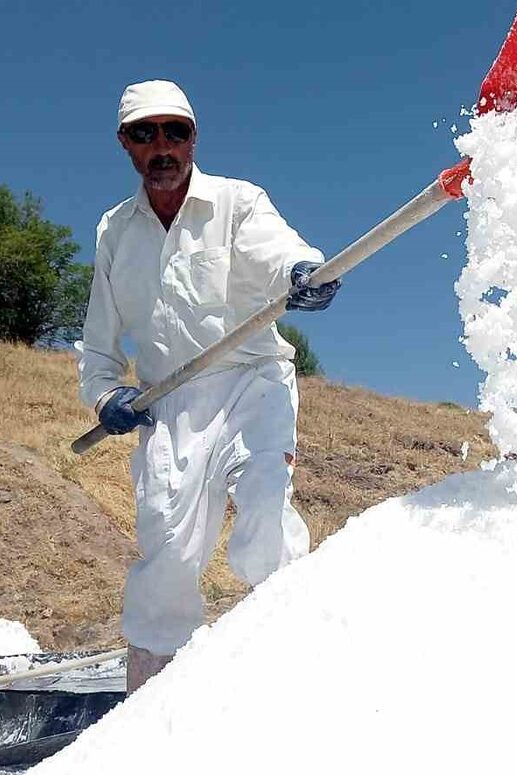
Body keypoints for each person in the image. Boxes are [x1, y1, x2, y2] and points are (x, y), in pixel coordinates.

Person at [78, 80, 340, 692]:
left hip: (253, 382)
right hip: (168, 402)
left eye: (176, 132)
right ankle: (148, 708)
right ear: (126, 144)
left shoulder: (236, 202)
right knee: (167, 551)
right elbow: (98, 348)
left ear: (195, 139)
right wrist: (105, 396)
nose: (162, 146)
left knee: (264, 518)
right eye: (146, 133)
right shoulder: (114, 232)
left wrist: (303, 274)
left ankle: (290, 684)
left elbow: (280, 254)